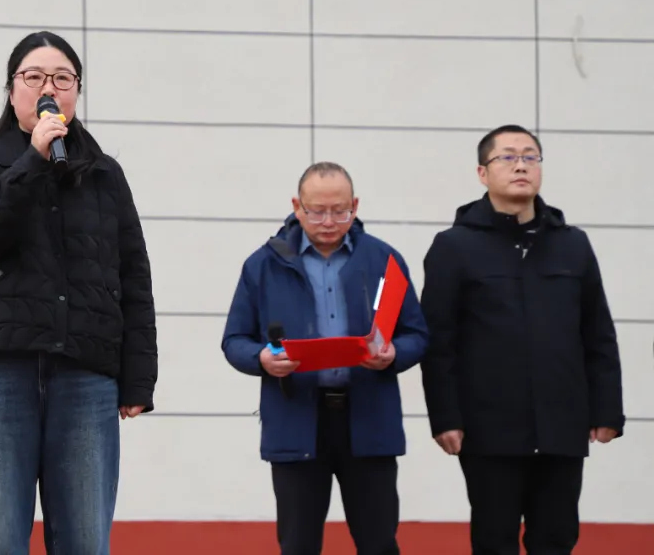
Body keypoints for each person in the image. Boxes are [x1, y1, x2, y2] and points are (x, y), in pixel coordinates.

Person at [0, 31, 158, 555]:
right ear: (11, 89)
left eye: (62, 79)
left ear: (76, 91)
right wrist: (33, 161)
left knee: (84, 539)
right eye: (34, 77)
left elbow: (133, 274)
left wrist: (138, 376)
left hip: (84, 373)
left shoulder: (104, 174)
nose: (49, 89)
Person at [419, 124, 626, 555]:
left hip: (562, 423)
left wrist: (607, 409)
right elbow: (439, 343)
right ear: (482, 173)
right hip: (488, 428)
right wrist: (445, 416)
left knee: (556, 539)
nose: (521, 166)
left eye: (530, 157)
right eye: (508, 157)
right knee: (494, 541)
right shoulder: (454, 247)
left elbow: (598, 334)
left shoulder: (573, 245)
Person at [221, 162, 429, 555]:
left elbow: (417, 334)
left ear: (355, 205)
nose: (329, 221)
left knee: (379, 543)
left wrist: (394, 354)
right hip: (296, 419)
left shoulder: (384, 259)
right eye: (317, 211)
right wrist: (262, 358)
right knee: (298, 545)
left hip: (369, 419)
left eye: (340, 210)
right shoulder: (264, 264)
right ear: (297, 206)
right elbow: (234, 340)